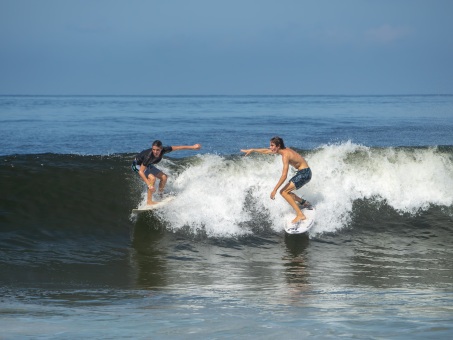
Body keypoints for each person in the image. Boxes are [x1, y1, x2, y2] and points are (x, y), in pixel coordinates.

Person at [241, 136, 312, 224]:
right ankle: (303, 202)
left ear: (278, 146)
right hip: (305, 172)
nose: (270, 147)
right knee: (287, 191)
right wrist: (253, 150)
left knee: (283, 192)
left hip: (304, 174)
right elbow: (267, 151)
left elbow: (284, 175)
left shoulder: (285, 155)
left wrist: (274, 190)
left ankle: (300, 214)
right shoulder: (284, 149)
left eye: (272, 145)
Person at [132, 140, 201, 205]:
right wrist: (149, 185)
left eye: (157, 150)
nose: (155, 152)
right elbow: (141, 172)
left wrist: (193, 147)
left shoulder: (164, 150)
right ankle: (149, 202)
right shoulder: (148, 156)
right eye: (153, 149)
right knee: (152, 179)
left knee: (164, 177)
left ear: (161, 149)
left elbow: (178, 147)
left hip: (148, 165)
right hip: (137, 165)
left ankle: (160, 195)